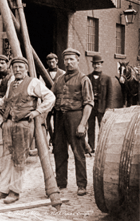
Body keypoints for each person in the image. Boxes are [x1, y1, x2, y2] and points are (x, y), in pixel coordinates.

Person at [0, 57, 55, 204]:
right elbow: (5, 101)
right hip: (9, 123)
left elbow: (50, 97)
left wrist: (38, 112)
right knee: (7, 157)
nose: (17, 69)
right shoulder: (11, 83)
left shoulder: (34, 82)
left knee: (19, 158)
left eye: (20, 67)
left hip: (23, 125)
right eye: (15, 67)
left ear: (26, 69)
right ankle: (3, 189)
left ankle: (15, 191)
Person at [51, 48, 94, 196]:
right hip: (59, 118)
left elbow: (88, 103)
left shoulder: (83, 79)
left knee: (78, 152)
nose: (68, 62)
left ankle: (82, 185)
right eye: (66, 60)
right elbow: (51, 98)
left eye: (71, 59)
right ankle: (60, 183)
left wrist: (82, 124)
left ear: (77, 61)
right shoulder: (59, 80)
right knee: (59, 151)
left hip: (75, 117)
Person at [87, 55, 112, 153]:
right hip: (91, 107)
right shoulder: (88, 77)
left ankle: (102, 147)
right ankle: (91, 148)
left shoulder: (107, 78)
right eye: (95, 64)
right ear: (92, 65)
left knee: (102, 128)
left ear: (101, 65)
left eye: (98, 64)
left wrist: (108, 108)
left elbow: (110, 95)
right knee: (90, 128)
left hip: (102, 107)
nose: (97, 66)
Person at [45, 53, 65, 146]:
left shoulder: (63, 73)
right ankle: (51, 138)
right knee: (46, 121)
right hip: (47, 101)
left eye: (53, 61)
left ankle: (56, 141)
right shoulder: (43, 72)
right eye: (49, 62)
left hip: (58, 101)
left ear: (57, 61)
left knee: (57, 122)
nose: (51, 64)